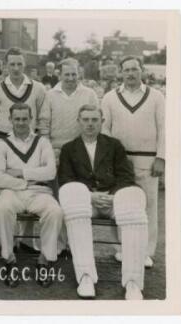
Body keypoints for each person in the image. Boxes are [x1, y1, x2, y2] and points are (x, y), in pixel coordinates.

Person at [58, 105, 148, 300]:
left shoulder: (114, 145)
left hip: (113, 200)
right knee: (71, 193)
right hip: (86, 201)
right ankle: (86, 276)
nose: (90, 124)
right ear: (78, 122)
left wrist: (112, 196)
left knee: (133, 201)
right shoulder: (68, 148)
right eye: (86, 120)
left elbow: (126, 176)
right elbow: (65, 179)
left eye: (94, 120)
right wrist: (91, 195)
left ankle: (133, 282)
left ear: (102, 122)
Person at [101, 56, 165, 268]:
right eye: (126, 70)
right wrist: (108, 159)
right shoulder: (110, 97)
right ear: (121, 73)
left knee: (148, 206)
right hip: (119, 160)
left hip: (147, 159)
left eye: (134, 69)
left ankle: (146, 252)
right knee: (119, 203)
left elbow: (165, 129)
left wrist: (161, 158)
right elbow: (105, 130)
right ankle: (121, 249)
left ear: (142, 71)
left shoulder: (156, 96)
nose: (130, 73)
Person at [0, 103, 63, 288]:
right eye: (17, 119)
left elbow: (50, 172)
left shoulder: (42, 142)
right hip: (12, 192)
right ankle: (9, 259)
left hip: (39, 192)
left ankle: (45, 259)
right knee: (1, 209)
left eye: (25, 118)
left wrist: (20, 172)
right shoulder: (2, 145)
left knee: (54, 211)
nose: (21, 122)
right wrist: (27, 181)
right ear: (10, 120)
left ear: (31, 119)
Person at [0, 47, 47, 254]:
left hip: (30, 143)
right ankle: (8, 241)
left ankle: (27, 240)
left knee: (31, 188)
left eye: (19, 64)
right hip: (4, 141)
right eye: (11, 64)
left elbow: (42, 117)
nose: (16, 68)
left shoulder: (38, 88)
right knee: (6, 191)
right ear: (5, 65)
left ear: (25, 64)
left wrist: (42, 143)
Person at [38, 58, 99, 161]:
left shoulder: (90, 94)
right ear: (60, 75)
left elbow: (97, 123)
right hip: (56, 151)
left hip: (83, 150)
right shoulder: (50, 95)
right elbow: (44, 125)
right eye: (67, 74)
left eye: (74, 74)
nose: (71, 78)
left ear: (78, 74)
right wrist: (48, 150)